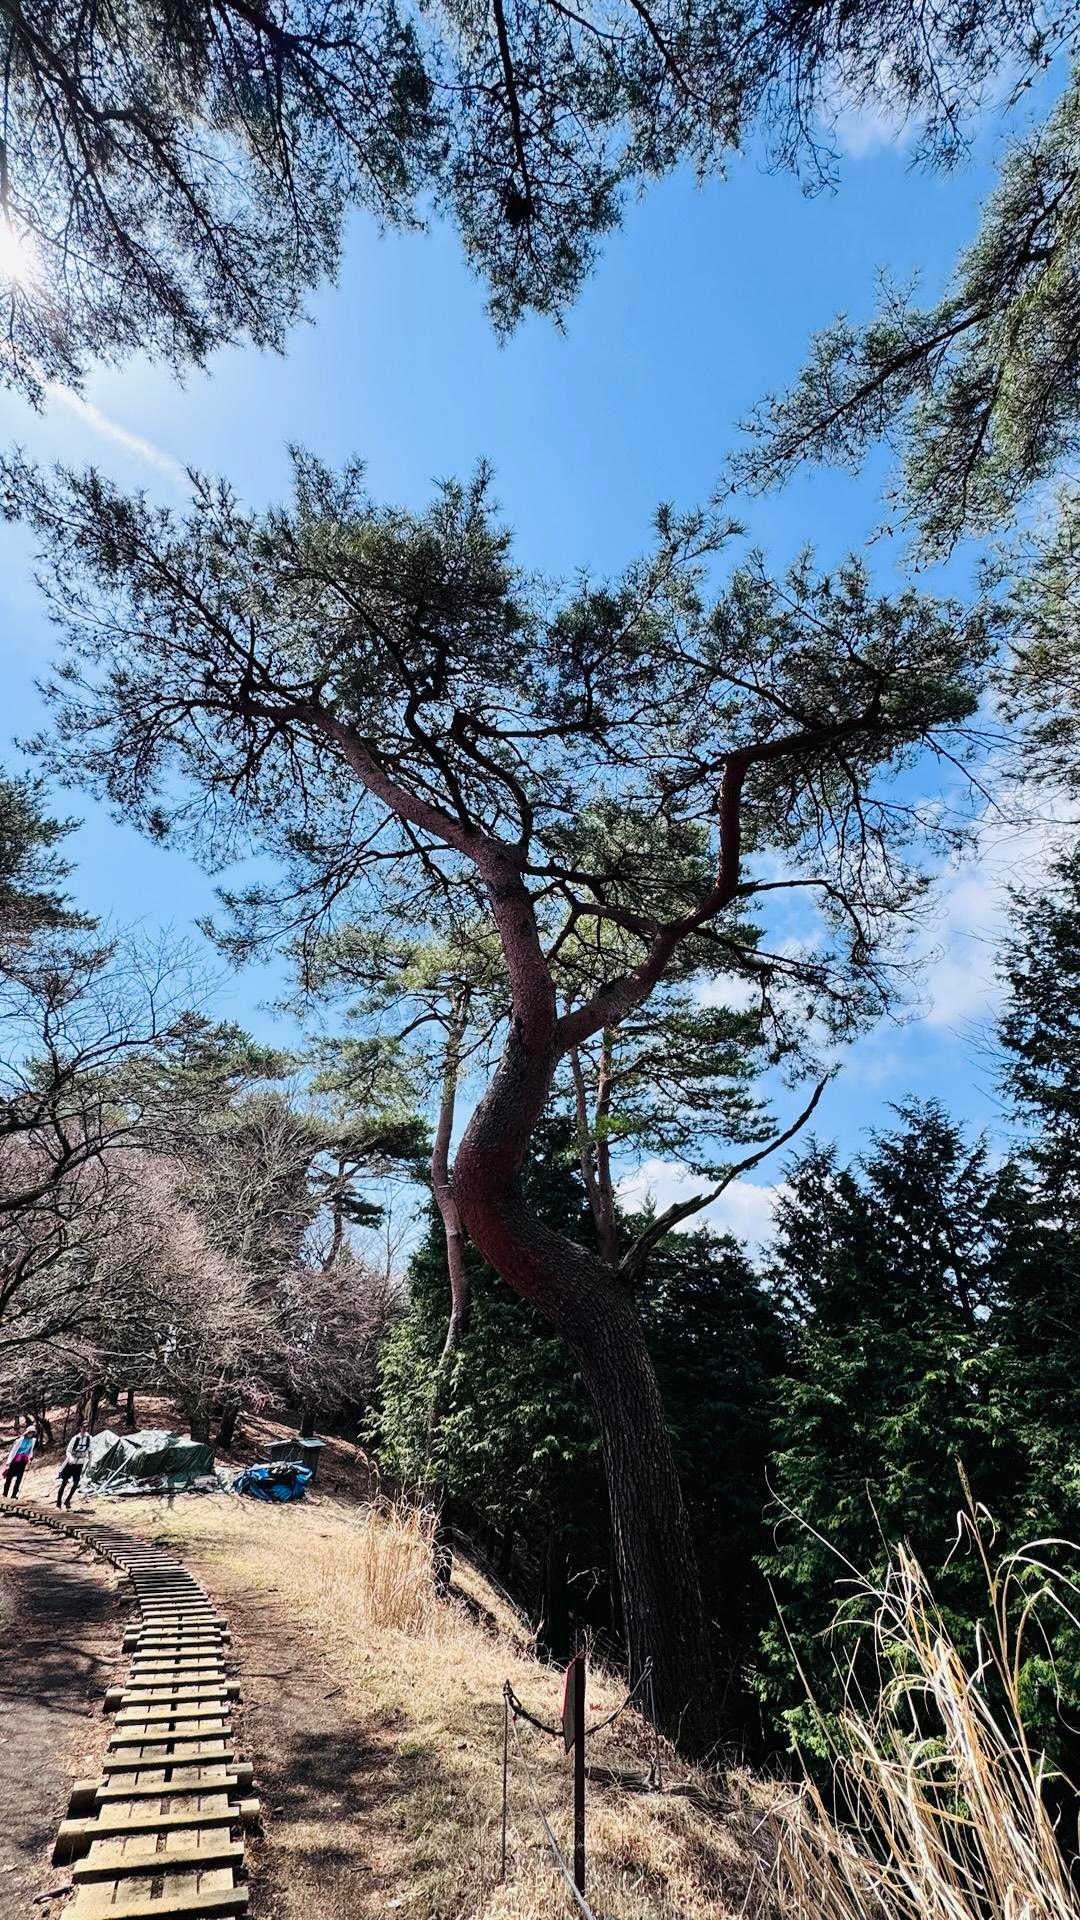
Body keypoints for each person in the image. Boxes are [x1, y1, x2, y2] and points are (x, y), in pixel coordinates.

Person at [57, 1428, 91, 1509]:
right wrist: (71, 1458)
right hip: (70, 1463)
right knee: (64, 1483)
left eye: (86, 1427)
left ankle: (67, 1501)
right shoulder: (75, 1438)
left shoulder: (89, 1438)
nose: (85, 1429)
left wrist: (90, 1461)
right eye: (83, 1427)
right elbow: (68, 1451)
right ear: (80, 1428)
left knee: (76, 1483)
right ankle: (58, 1503)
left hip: (79, 1464)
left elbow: (90, 1450)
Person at [3, 1428, 36, 1498]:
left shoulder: (32, 1440)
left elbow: (30, 1450)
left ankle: (14, 1494)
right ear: (27, 1432)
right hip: (15, 1460)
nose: (31, 1434)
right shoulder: (20, 1440)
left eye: (32, 1433)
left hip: (23, 1460)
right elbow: (13, 1450)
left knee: (19, 1478)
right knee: (9, 1477)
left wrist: (30, 1458)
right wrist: (9, 1462)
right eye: (30, 1432)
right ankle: (5, 1493)